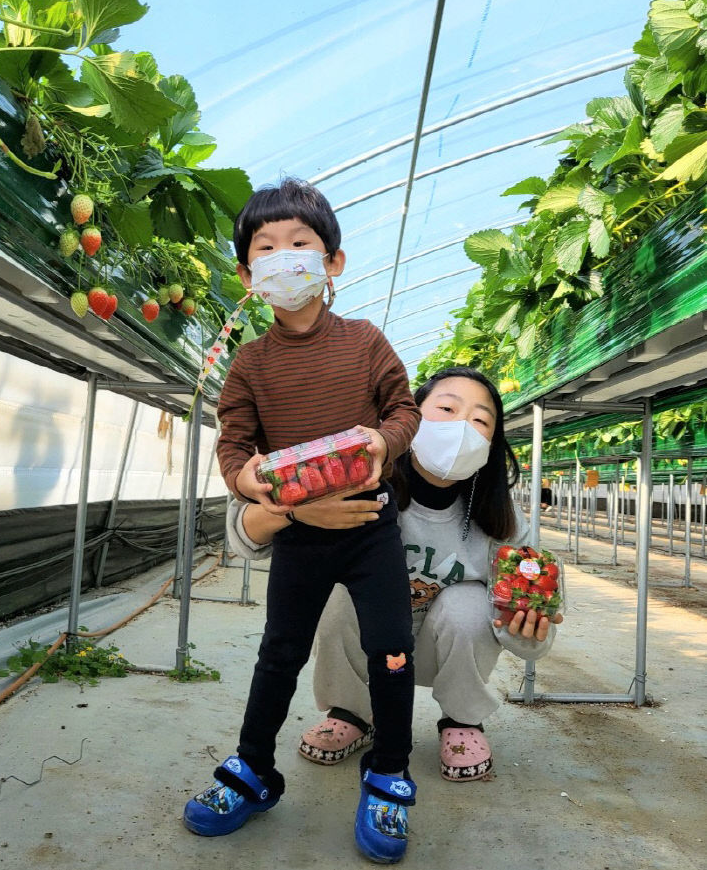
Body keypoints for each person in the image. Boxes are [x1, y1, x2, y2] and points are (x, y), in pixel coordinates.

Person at [183, 178, 421, 864]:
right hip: (300, 532)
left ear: (333, 261)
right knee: (279, 651)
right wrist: (254, 482)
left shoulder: (366, 342)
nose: (285, 259)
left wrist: (382, 442)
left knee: (391, 646)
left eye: (301, 245)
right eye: (267, 249)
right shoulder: (250, 364)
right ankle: (253, 768)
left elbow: (402, 409)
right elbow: (233, 444)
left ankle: (389, 771)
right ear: (247, 274)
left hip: (371, 525)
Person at [225, 366, 563, 785]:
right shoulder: (360, 482)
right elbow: (245, 539)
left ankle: (462, 720)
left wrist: (527, 631)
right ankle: (352, 710)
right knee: (340, 589)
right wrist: (295, 510)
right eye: (446, 408)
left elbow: (534, 634)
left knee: (468, 605)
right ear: (407, 420)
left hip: (441, 651)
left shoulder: (503, 523)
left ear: (492, 444)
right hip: (371, 645)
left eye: (480, 421)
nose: (462, 428)